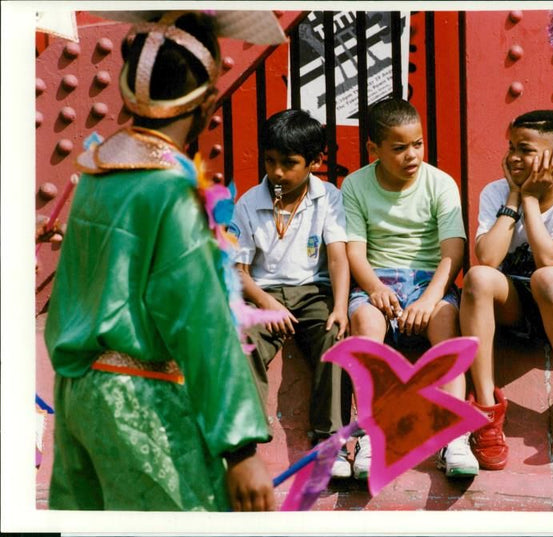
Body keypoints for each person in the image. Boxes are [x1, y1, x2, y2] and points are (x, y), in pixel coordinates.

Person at [44, 11, 276, 511]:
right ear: (207, 99)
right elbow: (200, 319)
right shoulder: (171, 188)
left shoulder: (97, 172)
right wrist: (240, 450)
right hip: (144, 401)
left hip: (78, 394)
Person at [341, 97, 478, 479]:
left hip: (428, 280)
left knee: (447, 325)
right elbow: (355, 248)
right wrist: (372, 287)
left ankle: (455, 438)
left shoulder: (440, 183)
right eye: (399, 148)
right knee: (367, 326)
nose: (411, 155)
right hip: (377, 279)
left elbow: (453, 249)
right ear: (374, 149)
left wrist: (431, 298)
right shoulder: (355, 185)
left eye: (417, 144)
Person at [460, 110, 553, 470]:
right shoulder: (496, 191)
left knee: (547, 278)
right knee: (477, 278)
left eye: (524, 149)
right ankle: (487, 411)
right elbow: (488, 259)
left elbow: (547, 259)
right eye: (511, 147)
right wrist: (512, 197)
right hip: (517, 307)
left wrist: (531, 200)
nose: (512, 157)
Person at [231, 108, 354, 478]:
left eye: (289, 163)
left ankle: (329, 441)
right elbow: (238, 272)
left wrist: (342, 307)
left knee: (335, 337)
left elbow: (337, 260)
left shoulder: (328, 197)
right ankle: (245, 442)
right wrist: (267, 303)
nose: (278, 172)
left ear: (315, 162)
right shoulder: (249, 203)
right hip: (262, 294)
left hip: (314, 293)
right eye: (270, 161)